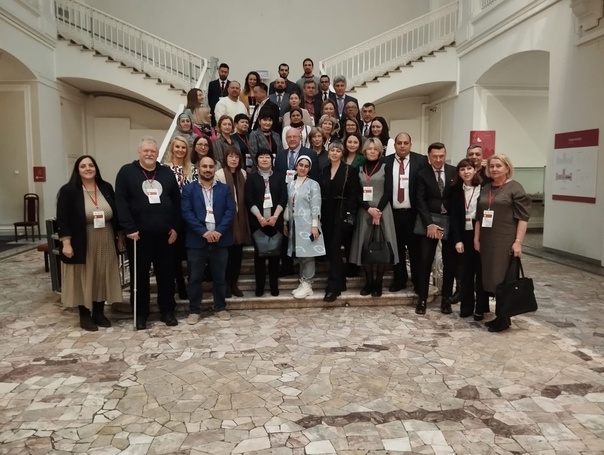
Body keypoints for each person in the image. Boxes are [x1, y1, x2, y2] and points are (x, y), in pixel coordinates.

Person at [115, 137, 181, 330]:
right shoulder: (127, 172)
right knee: (139, 277)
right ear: (139, 153)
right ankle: (141, 313)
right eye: (146, 151)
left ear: (158, 153)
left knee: (166, 275)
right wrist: (129, 228)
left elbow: (177, 202)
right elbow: (121, 202)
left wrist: (176, 227)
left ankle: (167, 310)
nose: (150, 154)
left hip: (165, 235)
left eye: (153, 151)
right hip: (138, 236)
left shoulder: (166, 173)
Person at [56, 155, 122, 331]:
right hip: (82, 240)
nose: (88, 169)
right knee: (84, 276)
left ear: (96, 168)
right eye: (83, 166)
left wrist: (120, 236)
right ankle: (84, 314)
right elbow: (63, 219)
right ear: (77, 170)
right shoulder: (69, 191)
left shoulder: (106, 187)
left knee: (102, 274)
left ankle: (99, 312)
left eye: (91, 165)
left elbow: (116, 213)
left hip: (106, 238)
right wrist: (66, 243)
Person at [474, 154, 531, 333]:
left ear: (507, 168)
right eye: (491, 166)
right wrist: (476, 239)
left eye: (498, 166)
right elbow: (479, 216)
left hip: (505, 240)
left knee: (505, 279)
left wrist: (518, 242)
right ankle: (500, 315)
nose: (494, 169)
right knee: (491, 278)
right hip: (487, 240)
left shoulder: (515, 188)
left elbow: (523, 218)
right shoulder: (486, 188)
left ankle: (504, 318)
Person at [182, 156, 235, 323]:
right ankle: (194, 310)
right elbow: (187, 213)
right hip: (197, 241)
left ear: (214, 169)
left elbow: (230, 211)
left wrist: (219, 231)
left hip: (220, 240)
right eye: (204, 166)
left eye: (211, 167)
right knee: (195, 278)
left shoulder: (224, 189)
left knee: (220, 277)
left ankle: (220, 307)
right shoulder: (189, 189)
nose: (207, 169)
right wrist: (204, 232)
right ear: (198, 168)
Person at [349, 138, 399, 296]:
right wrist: (369, 209)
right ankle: (369, 282)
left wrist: (378, 211)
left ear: (379, 151)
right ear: (365, 151)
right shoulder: (359, 168)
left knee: (382, 246)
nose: (372, 151)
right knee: (366, 246)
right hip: (365, 212)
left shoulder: (386, 167)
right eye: (369, 149)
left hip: (383, 211)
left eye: (375, 149)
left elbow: (389, 191)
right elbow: (356, 193)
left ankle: (378, 283)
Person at [383, 132, 428, 293]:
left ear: (410, 144)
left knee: (415, 250)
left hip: (413, 213)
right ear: (394, 145)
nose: (402, 146)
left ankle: (417, 281)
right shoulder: (385, 162)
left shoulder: (421, 160)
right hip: (393, 213)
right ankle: (400, 280)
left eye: (405, 143)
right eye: (399, 143)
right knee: (397, 249)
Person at [415, 142, 456, 316]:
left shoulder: (454, 171)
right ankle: (422, 298)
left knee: (449, 262)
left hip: (450, 222)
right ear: (429, 157)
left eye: (441, 156)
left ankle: (446, 298)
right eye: (435, 156)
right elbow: (420, 200)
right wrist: (429, 224)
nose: (438, 159)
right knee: (425, 260)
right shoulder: (422, 174)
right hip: (430, 222)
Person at [319, 142, 360, 302]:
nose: (335, 153)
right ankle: (340, 281)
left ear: (342, 153)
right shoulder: (324, 171)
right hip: (327, 214)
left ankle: (333, 287)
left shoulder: (350, 170)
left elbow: (354, 195)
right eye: (332, 150)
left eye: (338, 150)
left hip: (342, 214)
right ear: (328, 153)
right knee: (330, 249)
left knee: (335, 248)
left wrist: (349, 214)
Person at [450, 158, 489, 320]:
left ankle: (481, 308)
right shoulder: (455, 190)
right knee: (466, 272)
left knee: (481, 272)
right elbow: (453, 217)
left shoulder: (484, 189)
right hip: (463, 233)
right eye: (462, 169)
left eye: (469, 168)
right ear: (459, 173)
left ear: (475, 170)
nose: (466, 172)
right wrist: (457, 240)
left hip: (481, 232)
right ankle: (466, 307)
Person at [245, 148, 287, 296]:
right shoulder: (252, 178)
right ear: (256, 161)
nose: (264, 159)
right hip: (258, 223)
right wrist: (260, 218)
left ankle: (274, 286)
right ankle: (260, 287)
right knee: (259, 257)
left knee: (275, 256)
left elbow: (283, 197)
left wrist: (275, 217)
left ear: (271, 160)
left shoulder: (279, 177)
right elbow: (248, 199)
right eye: (261, 157)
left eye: (267, 157)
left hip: (276, 222)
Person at [284, 155, 325, 298]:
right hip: (295, 224)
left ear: (309, 169)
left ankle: (308, 284)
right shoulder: (290, 184)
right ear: (296, 166)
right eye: (300, 165)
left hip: (308, 223)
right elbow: (287, 205)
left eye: (306, 166)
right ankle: (303, 282)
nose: (303, 168)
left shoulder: (313, 184)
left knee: (308, 255)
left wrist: (314, 225)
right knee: (301, 255)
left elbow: (316, 205)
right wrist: (285, 222)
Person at [215, 147, 250, 298]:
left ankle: (234, 284)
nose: (234, 159)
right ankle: (225, 284)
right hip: (225, 220)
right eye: (230, 156)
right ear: (225, 158)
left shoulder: (243, 174)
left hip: (240, 219)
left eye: (236, 157)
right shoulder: (219, 174)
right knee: (225, 256)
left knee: (237, 255)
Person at [164, 136, 194, 300]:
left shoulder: (193, 169)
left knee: (190, 253)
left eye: (183, 147)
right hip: (172, 217)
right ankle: (180, 285)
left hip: (190, 217)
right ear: (172, 148)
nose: (180, 150)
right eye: (177, 147)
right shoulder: (164, 170)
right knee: (174, 255)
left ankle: (192, 283)